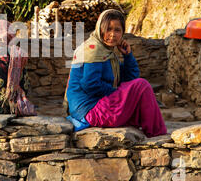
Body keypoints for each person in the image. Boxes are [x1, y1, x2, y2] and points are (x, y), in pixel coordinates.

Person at [65, 9, 167, 138]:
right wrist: (117, 92)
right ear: (100, 29)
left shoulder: (108, 53)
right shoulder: (93, 49)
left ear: (122, 32)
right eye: (108, 29)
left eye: (117, 30)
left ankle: (154, 132)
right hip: (89, 111)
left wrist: (128, 55)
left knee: (139, 87)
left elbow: (129, 78)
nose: (112, 34)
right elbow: (90, 84)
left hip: (99, 106)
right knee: (142, 85)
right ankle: (157, 133)